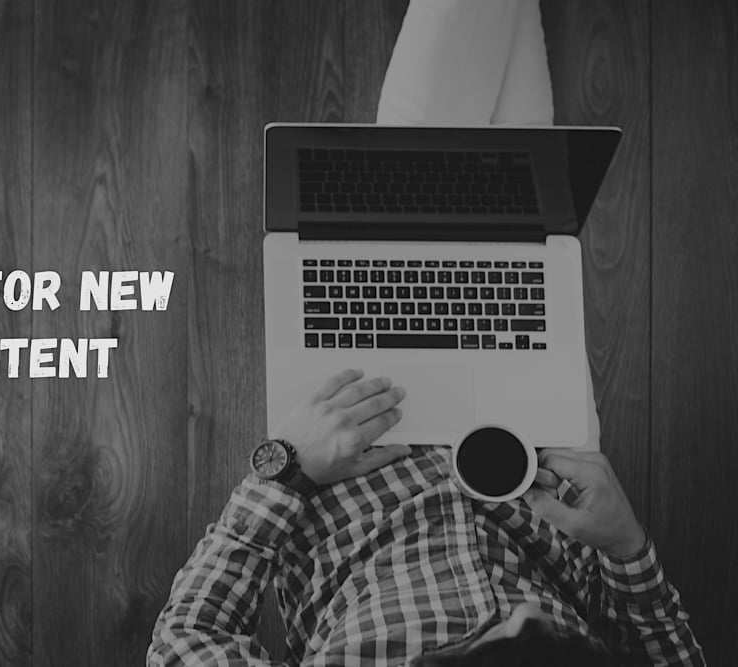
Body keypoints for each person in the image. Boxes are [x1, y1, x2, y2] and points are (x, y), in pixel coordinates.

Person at [148, 1, 705, 665]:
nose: (521, 611)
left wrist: (286, 466)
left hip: (357, 449)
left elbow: (185, 644)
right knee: (521, 214)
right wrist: (624, 544)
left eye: (501, 635)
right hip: (541, 470)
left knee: (430, 157)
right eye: (547, 634)